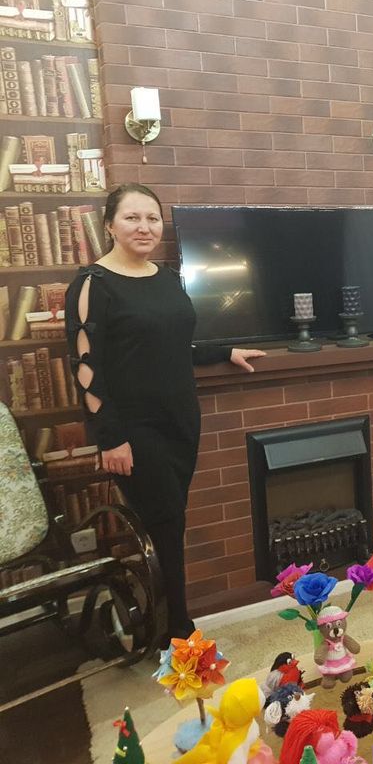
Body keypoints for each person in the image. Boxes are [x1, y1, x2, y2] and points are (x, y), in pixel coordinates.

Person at [64, 183, 265, 640]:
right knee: (166, 527)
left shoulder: (168, 277)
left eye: (152, 218)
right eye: (132, 217)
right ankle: (178, 634)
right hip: (135, 431)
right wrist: (110, 438)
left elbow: (173, 343)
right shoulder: (92, 284)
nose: (144, 227)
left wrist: (224, 351)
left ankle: (165, 625)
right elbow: (86, 368)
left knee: (170, 525)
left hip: (181, 423)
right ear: (109, 225)